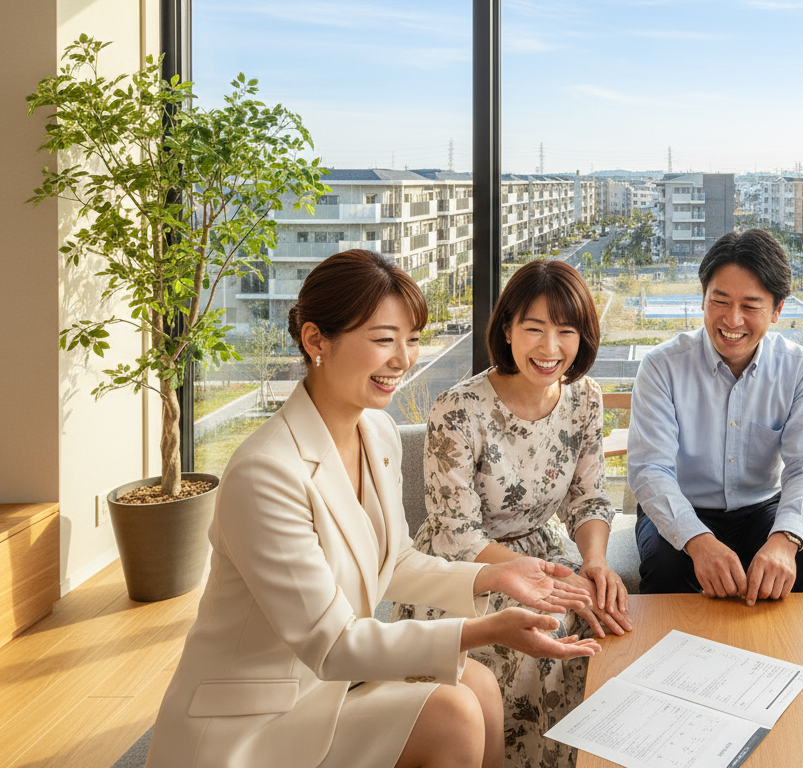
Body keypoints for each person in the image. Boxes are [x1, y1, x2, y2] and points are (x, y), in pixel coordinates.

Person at [146, 250, 600, 768]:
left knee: (478, 683)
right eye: (384, 340)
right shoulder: (265, 472)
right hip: (262, 714)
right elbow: (334, 644)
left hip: (331, 682)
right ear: (316, 341)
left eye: (410, 340)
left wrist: (498, 577)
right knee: (455, 710)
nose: (404, 359)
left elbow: (395, 563)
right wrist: (484, 628)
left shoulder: (374, 430)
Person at [397, 259, 631, 768]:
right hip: (466, 570)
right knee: (538, 627)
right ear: (507, 330)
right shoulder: (457, 410)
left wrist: (593, 563)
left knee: (600, 617)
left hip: (541, 553)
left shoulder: (585, 399)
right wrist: (543, 581)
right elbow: (457, 536)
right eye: (534, 329)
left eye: (566, 331)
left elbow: (589, 498)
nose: (550, 348)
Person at [627, 229, 803, 603]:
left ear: (777, 309)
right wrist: (697, 541)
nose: (732, 320)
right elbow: (651, 470)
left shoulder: (799, 369)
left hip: (763, 508)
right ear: (703, 299)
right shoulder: (662, 366)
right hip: (681, 504)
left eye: (750, 305)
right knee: (667, 567)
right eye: (720, 300)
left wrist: (784, 540)